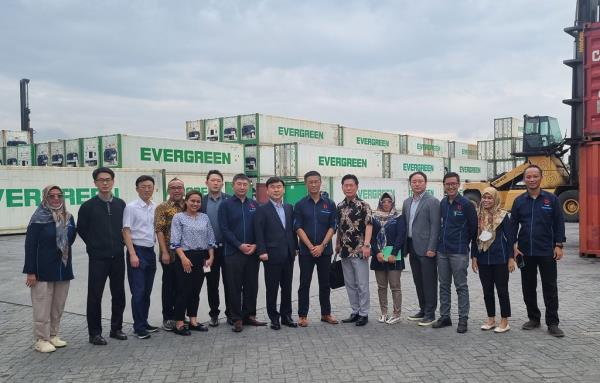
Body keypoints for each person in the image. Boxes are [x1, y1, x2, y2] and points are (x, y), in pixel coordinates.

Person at [511, 165, 566, 337]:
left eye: (535, 176)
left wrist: (559, 245)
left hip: (546, 250)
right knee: (528, 287)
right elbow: (513, 224)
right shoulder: (519, 201)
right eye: (529, 177)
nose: (532, 179)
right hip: (525, 251)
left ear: (541, 178)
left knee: (550, 287)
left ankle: (553, 322)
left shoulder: (551, 199)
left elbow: (559, 223)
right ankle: (534, 318)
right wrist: (514, 245)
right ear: (525, 179)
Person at [77, 167, 127, 345]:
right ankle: (95, 333)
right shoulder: (88, 206)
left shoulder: (120, 204)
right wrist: (94, 244)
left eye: (108, 179)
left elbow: (126, 228)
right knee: (95, 295)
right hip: (98, 258)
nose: (105, 183)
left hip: (118, 257)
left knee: (119, 293)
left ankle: (116, 328)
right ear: (95, 183)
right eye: (101, 180)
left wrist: (121, 244)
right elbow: (81, 229)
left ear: (113, 181)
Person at [23, 185, 76, 353]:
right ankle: (41, 339)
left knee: (57, 305)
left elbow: (70, 239)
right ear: (45, 198)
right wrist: (31, 271)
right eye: (51, 196)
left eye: (59, 195)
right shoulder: (38, 218)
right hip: (42, 270)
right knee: (42, 306)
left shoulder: (68, 217)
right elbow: (30, 246)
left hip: (62, 268)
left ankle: (53, 335)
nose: (56, 199)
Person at [218, 174, 267, 332]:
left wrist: (254, 245)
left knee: (251, 285)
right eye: (239, 184)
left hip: (252, 253)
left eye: (245, 184)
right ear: (233, 186)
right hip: (233, 252)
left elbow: (259, 228)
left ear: (249, 186)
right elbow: (224, 229)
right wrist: (239, 245)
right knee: (234, 286)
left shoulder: (254, 205)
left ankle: (249, 315)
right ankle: (236, 318)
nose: (242, 187)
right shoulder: (225, 205)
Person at [433, 172, 478, 333]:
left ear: (458, 185)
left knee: (461, 286)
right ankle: (445, 317)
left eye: (453, 184)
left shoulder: (466, 204)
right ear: (444, 185)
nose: (450, 186)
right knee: (444, 285)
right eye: (447, 184)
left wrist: (472, 253)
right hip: (443, 252)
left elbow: (474, 230)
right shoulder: (443, 203)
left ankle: (463, 319)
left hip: (459, 252)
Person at [294, 170, 338, 327]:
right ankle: (302, 315)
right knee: (304, 283)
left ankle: (326, 313)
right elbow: (298, 227)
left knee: (325, 284)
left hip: (324, 251)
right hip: (306, 252)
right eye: (310, 182)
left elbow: (333, 226)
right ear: (306, 183)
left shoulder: (329, 204)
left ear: (320, 182)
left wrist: (322, 246)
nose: (313, 184)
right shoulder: (300, 205)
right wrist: (311, 246)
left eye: (316, 181)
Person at [170, 190, 216, 336]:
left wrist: (211, 257)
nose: (195, 204)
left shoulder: (204, 217)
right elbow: (175, 241)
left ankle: (193, 321)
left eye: (198, 201)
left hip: (201, 256)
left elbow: (210, 239)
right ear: (186, 201)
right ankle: (179, 323)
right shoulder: (179, 217)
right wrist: (183, 258)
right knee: (183, 290)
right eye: (192, 201)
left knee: (195, 291)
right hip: (185, 256)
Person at [254, 177, 298, 330]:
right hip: (271, 255)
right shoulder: (261, 209)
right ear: (267, 190)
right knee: (272, 288)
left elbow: (293, 231)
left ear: (283, 189)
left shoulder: (289, 207)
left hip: (288, 254)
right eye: (273, 187)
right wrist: (262, 251)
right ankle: (274, 317)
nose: (276, 189)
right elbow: (258, 232)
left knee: (287, 287)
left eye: (279, 186)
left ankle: (286, 316)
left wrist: (295, 247)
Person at [472, 187, 516, 333]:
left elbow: (510, 239)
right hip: (483, 258)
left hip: (500, 258)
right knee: (487, 290)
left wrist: (511, 258)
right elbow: (474, 239)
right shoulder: (478, 216)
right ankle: (491, 318)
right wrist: (474, 258)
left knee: (502, 290)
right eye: (484, 197)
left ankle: (505, 321)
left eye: (489, 197)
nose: (486, 200)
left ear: (495, 199)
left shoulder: (503, 216)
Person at [402, 171, 441, 326]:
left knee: (429, 281)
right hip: (412, 247)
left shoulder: (432, 201)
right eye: (414, 181)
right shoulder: (407, 202)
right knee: (418, 280)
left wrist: (432, 247)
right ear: (410, 184)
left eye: (420, 181)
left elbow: (435, 226)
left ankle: (430, 313)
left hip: (427, 249)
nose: (417, 184)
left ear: (426, 183)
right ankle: (423, 309)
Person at [123, 175, 158, 339]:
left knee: (147, 291)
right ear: (137, 189)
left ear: (153, 188)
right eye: (143, 186)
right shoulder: (131, 207)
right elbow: (126, 231)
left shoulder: (154, 207)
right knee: (138, 290)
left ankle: (144, 322)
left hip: (150, 251)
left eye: (149, 186)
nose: (146, 189)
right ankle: (138, 327)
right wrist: (132, 254)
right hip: (137, 251)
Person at [336, 174, 373, 327]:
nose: (349, 188)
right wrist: (337, 244)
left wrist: (366, 245)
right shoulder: (339, 206)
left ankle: (364, 313)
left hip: (359, 251)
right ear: (342, 187)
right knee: (350, 283)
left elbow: (369, 225)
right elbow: (339, 227)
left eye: (351, 185)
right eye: (346, 185)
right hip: (344, 251)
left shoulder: (364, 205)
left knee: (362, 284)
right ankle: (355, 311)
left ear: (357, 187)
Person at [200, 170, 232, 326]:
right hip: (207, 252)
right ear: (206, 182)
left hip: (228, 249)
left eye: (218, 180)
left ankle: (231, 313)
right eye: (212, 180)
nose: (215, 183)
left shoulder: (229, 200)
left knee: (230, 282)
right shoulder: (201, 202)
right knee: (211, 283)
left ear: (222, 182)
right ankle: (214, 314)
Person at [154, 177, 186, 331]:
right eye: (173, 187)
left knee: (183, 286)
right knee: (169, 287)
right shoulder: (163, 207)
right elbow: (159, 230)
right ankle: (168, 317)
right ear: (168, 190)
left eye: (179, 187)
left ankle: (180, 315)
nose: (177, 190)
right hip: (170, 255)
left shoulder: (189, 205)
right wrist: (164, 252)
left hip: (186, 255)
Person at [370, 192, 406, 325]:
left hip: (393, 256)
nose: (386, 204)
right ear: (380, 202)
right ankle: (384, 312)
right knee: (381, 286)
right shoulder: (374, 217)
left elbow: (401, 236)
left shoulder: (399, 217)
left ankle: (397, 314)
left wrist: (394, 253)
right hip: (379, 256)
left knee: (395, 286)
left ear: (393, 203)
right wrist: (377, 252)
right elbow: (371, 237)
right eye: (384, 201)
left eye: (389, 201)